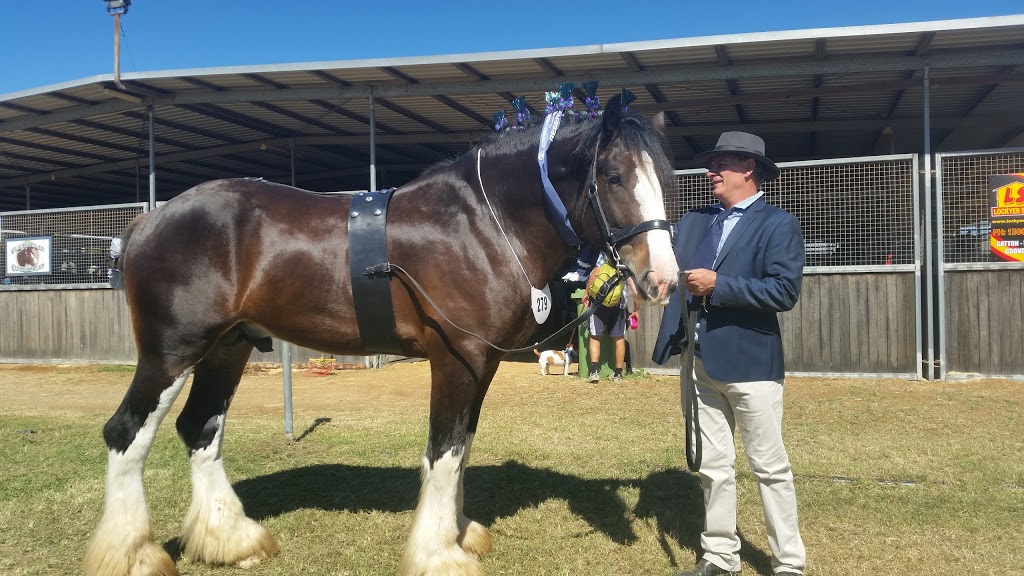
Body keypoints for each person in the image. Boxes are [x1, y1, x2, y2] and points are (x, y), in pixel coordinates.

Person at [652, 131, 806, 576]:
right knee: (713, 467)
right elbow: (665, 269)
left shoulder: (779, 224)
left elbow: (784, 290)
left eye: (721, 163)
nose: (710, 171)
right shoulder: (695, 221)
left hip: (752, 365)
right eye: (711, 162)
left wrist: (720, 286)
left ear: (749, 168)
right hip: (698, 363)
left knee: (770, 468)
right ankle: (720, 557)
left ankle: (789, 563)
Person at [582, 255, 638, 383]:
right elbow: (633, 282)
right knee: (619, 337)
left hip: (600, 300)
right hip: (620, 302)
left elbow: (596, 272)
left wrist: (587, 292)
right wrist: (637, 309)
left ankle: (594, 372)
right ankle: (618, 374)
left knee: (595, 335)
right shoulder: (629, 254)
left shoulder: (606, 252)